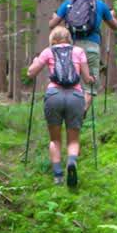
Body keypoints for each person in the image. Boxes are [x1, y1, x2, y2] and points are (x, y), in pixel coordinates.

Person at [28, 25, 95, 187]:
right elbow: (87, 79)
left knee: (55, 139)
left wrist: (35, 61)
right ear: (68, 38)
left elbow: (30, 73)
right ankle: (72, 161)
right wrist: (92, 78)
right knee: (73, 139)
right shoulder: (78, 51)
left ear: (53, 39)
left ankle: (58, 176)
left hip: (54, 96)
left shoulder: (48, 51)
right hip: (75, 96)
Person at [49, 0, 117, 109]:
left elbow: (52, 24)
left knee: (70, 81)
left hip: (71, 48)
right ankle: (81, 115)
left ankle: (69, 114)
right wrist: (112, 16)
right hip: (91, 48)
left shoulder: (68, 4)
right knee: (89, 86)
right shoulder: (100, 5)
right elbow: (114, 26)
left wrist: (55, 17)